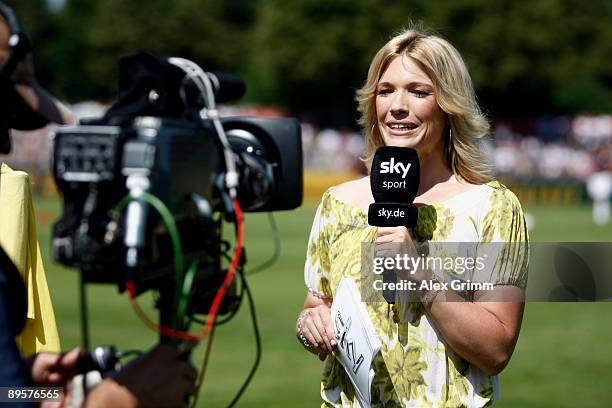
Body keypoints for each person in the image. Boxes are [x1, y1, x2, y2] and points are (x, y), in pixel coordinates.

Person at [296, 28, 529, 407]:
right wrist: (310, 326)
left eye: (418, 92)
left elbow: (496, 349)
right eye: (385, 91)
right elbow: (315, 306)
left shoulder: (492, 207)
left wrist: (418, 272)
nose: (397, 106)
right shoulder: (337, 203)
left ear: (449, 105)